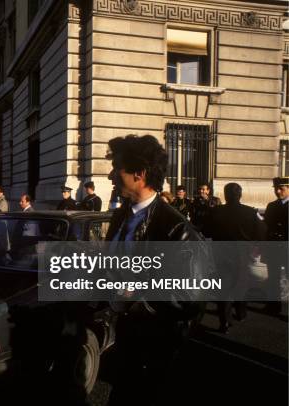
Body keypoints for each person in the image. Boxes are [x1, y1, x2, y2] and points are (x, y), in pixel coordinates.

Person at [104, 135, 203, 405]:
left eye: (117, 168)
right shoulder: (119, 215)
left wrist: (138, 297)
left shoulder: (176, 227)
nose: (111, 174)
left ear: (139, 174)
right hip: (124, 339)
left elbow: (191, 297)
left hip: (156, 347)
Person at [203, 183, 266, 333]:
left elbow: (206, 231)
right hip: (242, 252)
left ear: (225, 195)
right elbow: (261, 231)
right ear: (240, 195)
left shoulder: (215, 211)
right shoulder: (250, 212)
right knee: (242, 282)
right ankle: (240, 312)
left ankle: (224, 321)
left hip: (221, 251)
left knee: (223, 287)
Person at [262, 176, 289, 315]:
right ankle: (273, 306)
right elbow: (266, 226)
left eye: (281, 189)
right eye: (276, 189)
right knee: (273, 277)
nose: (278, 191)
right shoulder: (271, 206)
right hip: (273, 246)